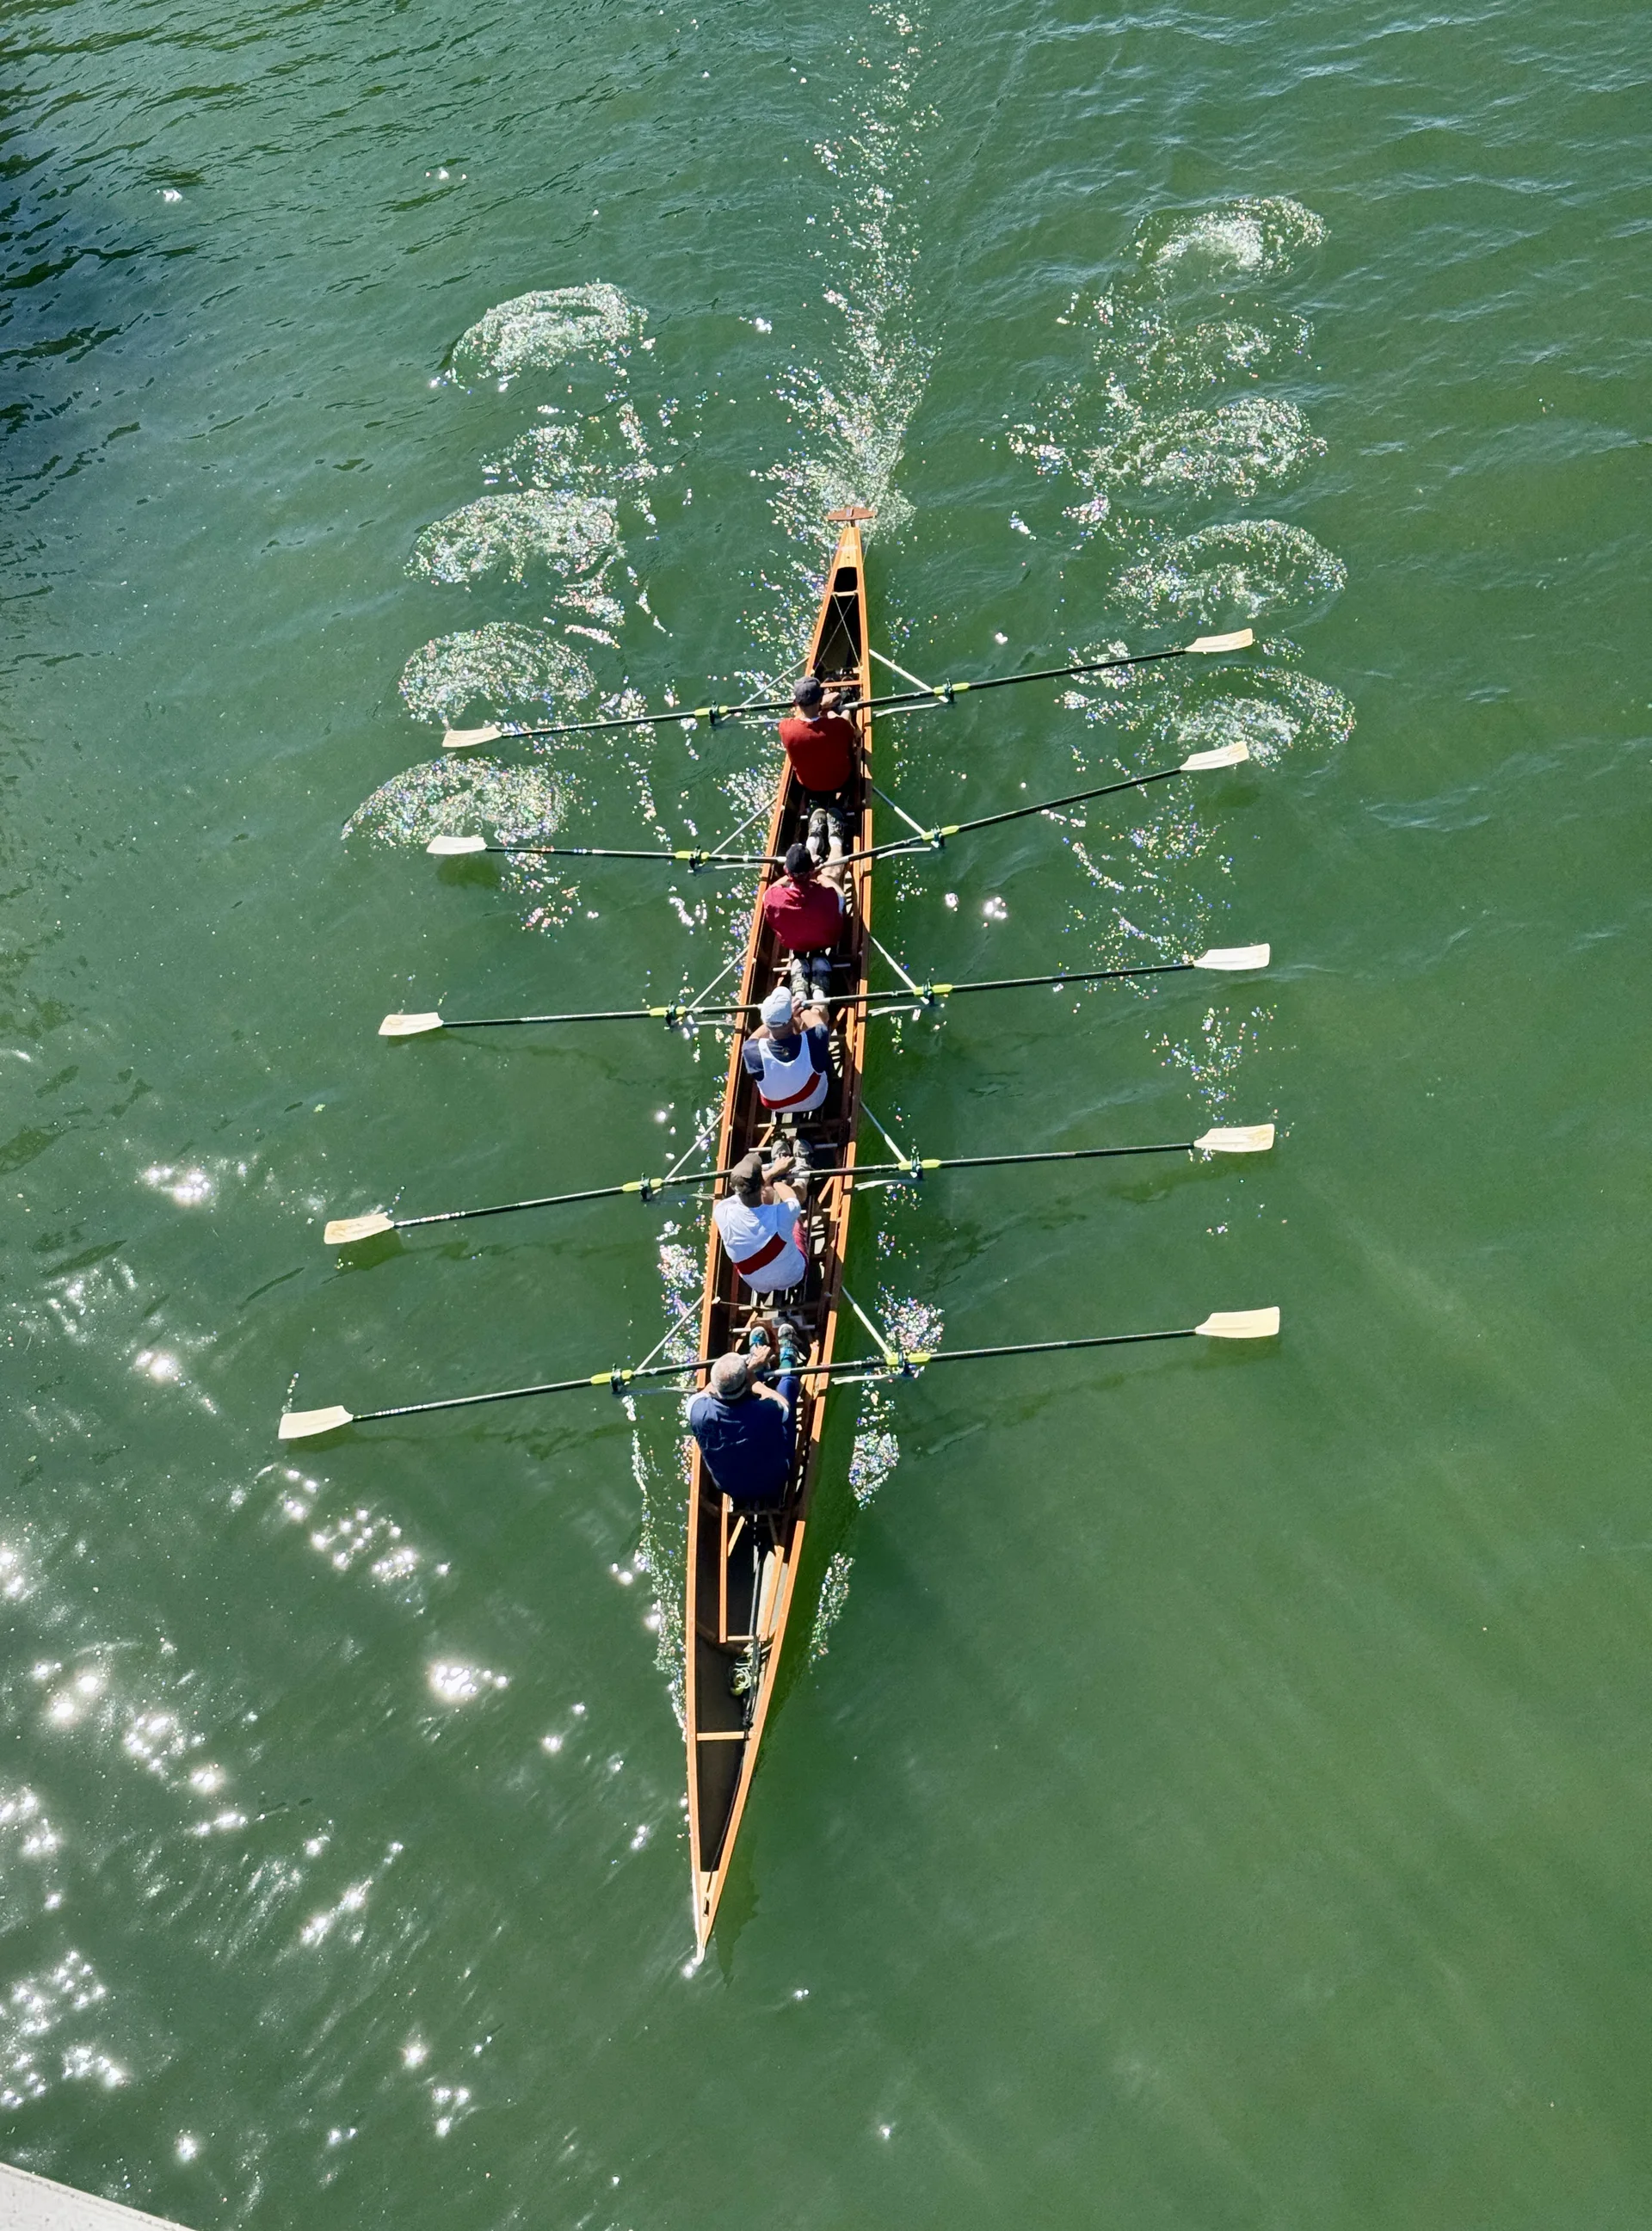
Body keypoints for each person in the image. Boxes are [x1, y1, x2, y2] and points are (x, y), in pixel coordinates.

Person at [687, 1322, 804, 1505]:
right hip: (775, 1480)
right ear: (746, 1381)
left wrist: (749, 1369)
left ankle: (761, 1368)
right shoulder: (767, 1410)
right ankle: (788, 1355)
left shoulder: (695, 1409)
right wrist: (753, 1378)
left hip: (728, 1486)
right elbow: (784, 1405)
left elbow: (712, 1388)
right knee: (786, 1387)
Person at [778, 675, 859, 861]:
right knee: (845, 713)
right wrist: (829, 710)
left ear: (796, 702)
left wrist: (820, 710)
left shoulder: (785, 728)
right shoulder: (839, 726)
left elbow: (801, 719)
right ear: (820, 698)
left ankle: (815, 830)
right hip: (840, 779)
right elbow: (849, 745)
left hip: (810, 784)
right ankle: (838, 812)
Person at [712, 1149, 809, 1296]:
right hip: (794, 1274)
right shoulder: (782, 1215)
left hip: (758, 1286)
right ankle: (803, 1172)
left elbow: (749, 1192)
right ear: (760, 1184)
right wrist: (776, 1179)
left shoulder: (721, 1211)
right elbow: (792, 1199)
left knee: (769, 1198)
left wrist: (771, 1175)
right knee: (794, 1218)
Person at [760, 841, 847, 1001]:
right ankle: (835, 841)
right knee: (831, 875)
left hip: (795, 944)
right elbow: (841, 895)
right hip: (826, 941)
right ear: (811, 869)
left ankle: (813, 842)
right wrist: (819, 876)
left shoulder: (772, 898)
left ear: (786, 870)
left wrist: (793, 876)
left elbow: (768, 891)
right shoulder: (829, 897)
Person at [743, 985, 831, 1116]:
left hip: (778, 1107)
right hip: (815, 1099)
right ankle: (818, 995)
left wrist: (778, 1019)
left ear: (765, 1022)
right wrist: (801, 1011)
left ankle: (801, 992)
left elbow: (753, 1038)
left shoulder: (750, 1051)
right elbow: (820, 1025)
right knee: (818, 1013)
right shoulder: (818, 1036)